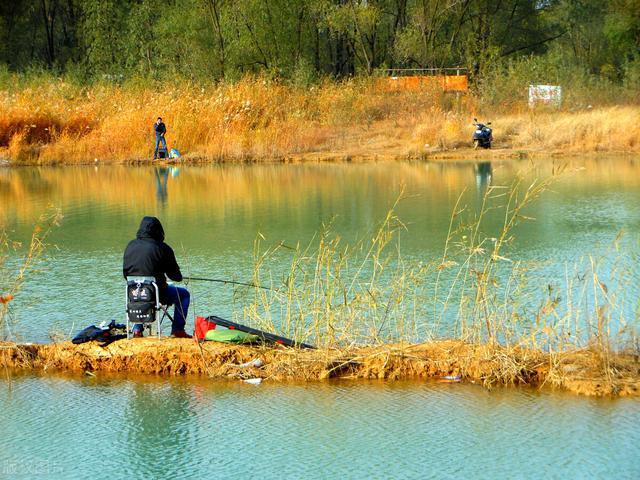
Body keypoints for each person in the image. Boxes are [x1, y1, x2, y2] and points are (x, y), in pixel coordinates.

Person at [123, 216, 191, 338]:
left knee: (139, 293)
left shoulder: (130, 246)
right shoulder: (162, 248)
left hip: (133, 293)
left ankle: (137, 330)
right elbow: (176, 277)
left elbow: (125, 274)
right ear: (159, 230)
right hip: (157, 294)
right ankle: (178, 330)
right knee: (184, 294)